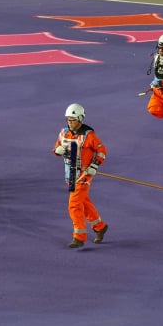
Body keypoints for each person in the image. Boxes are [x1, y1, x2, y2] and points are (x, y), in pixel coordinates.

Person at [52, 103, 109, 249]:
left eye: (73, 120)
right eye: (68, 120)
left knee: (74, 205)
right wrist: (57, 150)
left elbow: (102, 150)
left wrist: (95, 165)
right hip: (70, 175)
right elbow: (57, 147)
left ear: (80, 119)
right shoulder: (64, 133)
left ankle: (79, 237)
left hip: (83, 176)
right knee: (84, 202)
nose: (70, 123)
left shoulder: (89, 136)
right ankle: (100, 226)